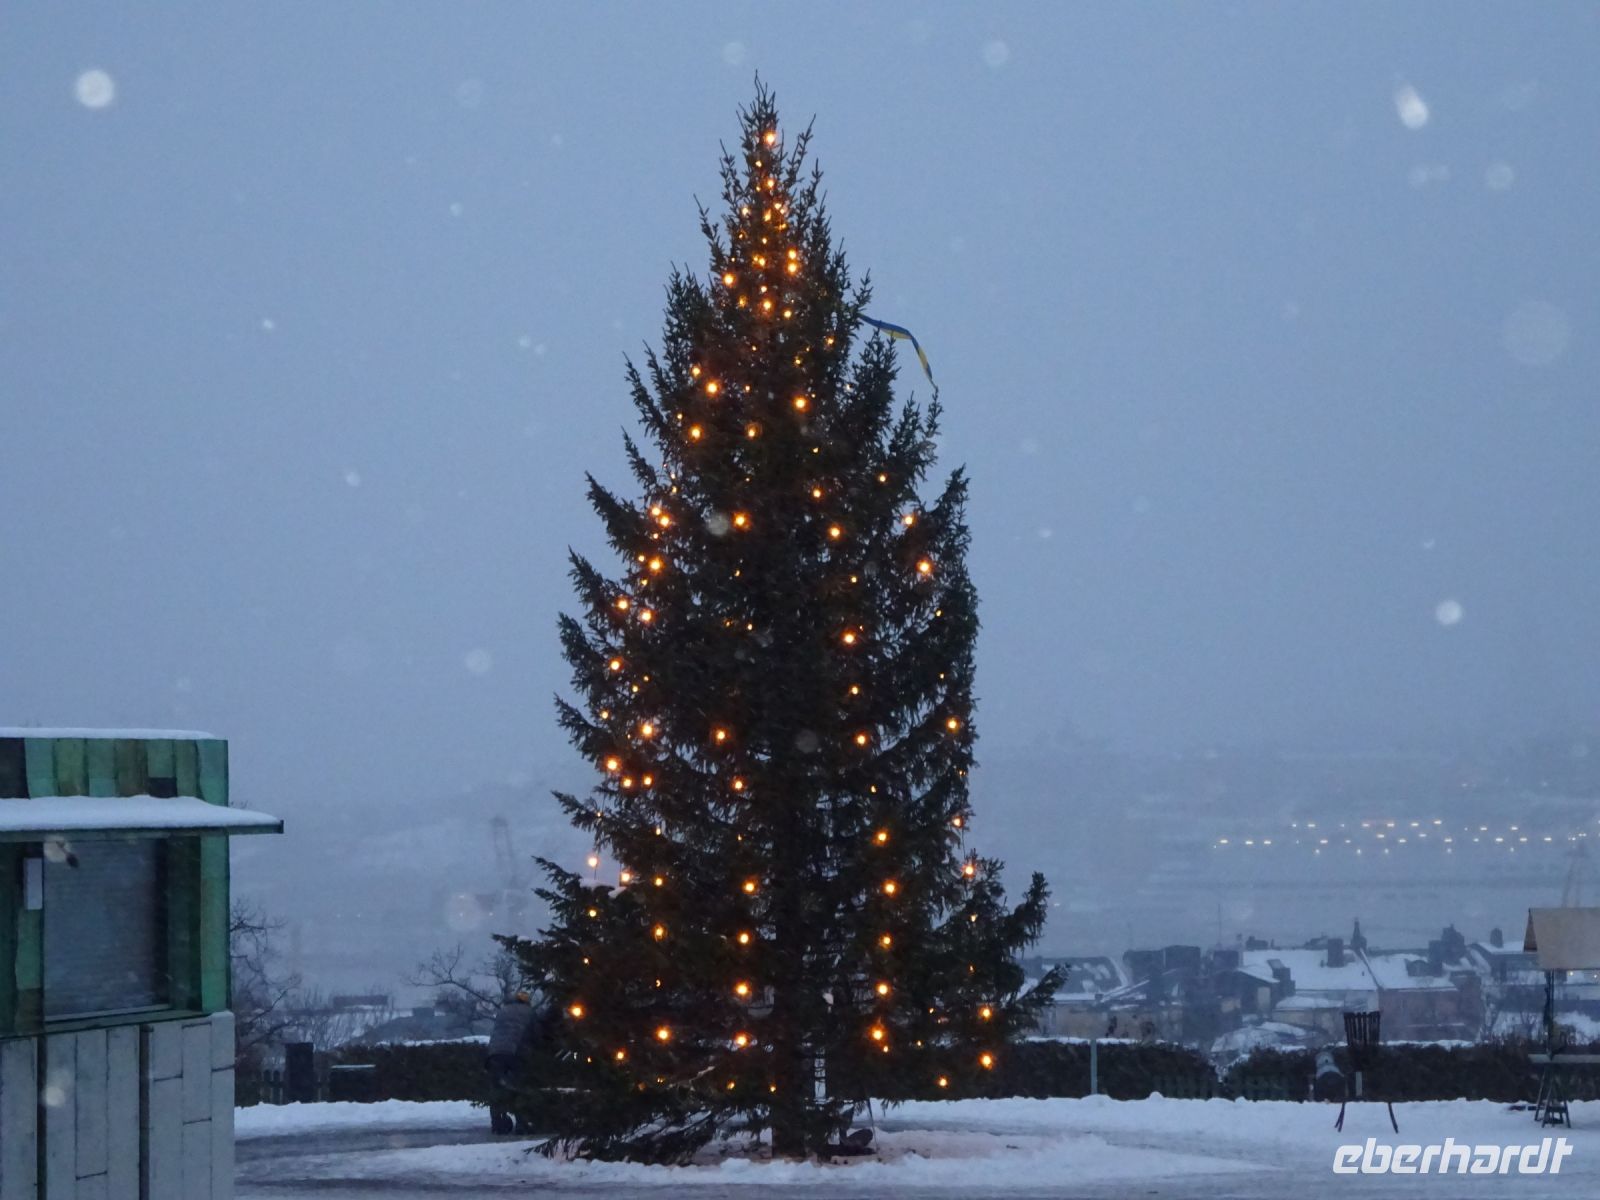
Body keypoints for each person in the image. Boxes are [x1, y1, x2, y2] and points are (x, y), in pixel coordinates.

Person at [486, 989, 540, 1134]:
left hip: (494, 1053)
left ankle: (497, 1123)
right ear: (526, 1001)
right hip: (515, 1053)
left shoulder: (503, 1011)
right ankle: (522, 1124)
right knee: (518, 1088)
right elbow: (537, 1033)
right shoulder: (529, 1012)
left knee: (496, 1089)